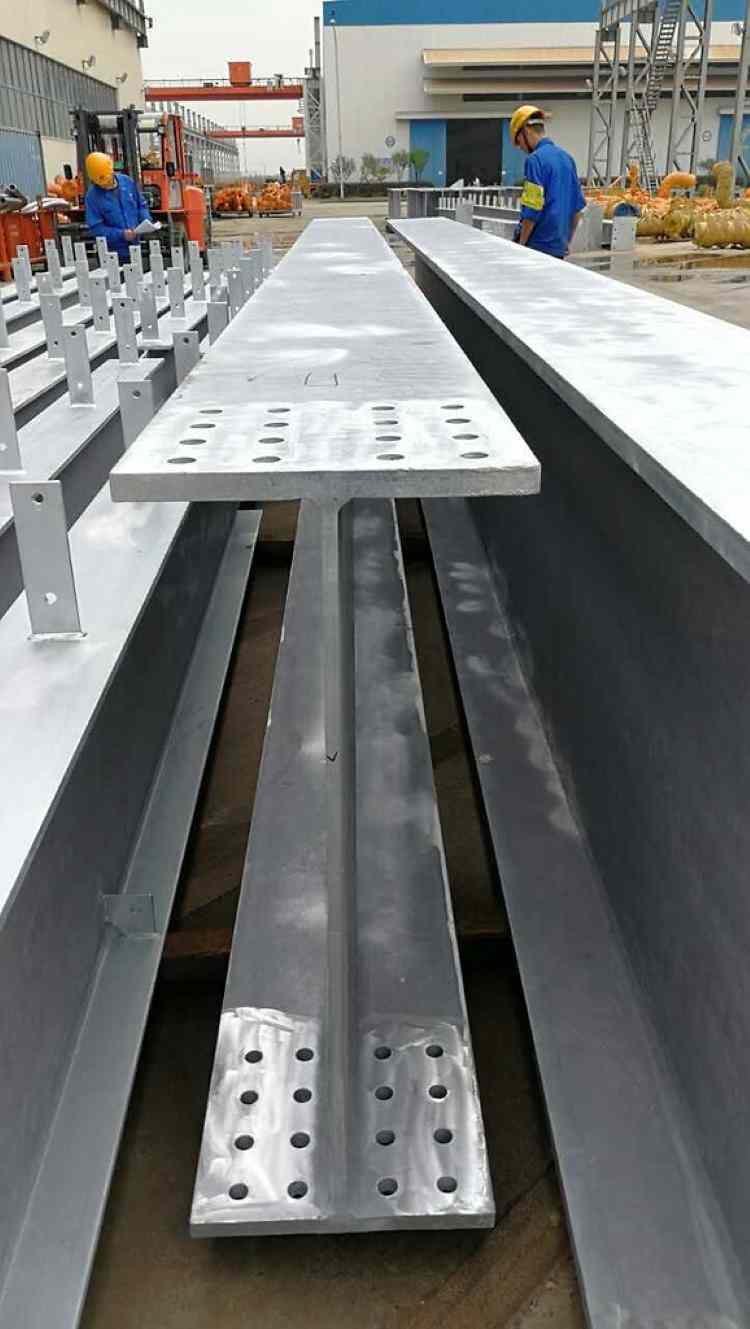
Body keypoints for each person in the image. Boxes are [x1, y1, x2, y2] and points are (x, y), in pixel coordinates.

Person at [510, 106, 585, 258]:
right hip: (558, 249)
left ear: (526, 131)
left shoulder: (535, 160)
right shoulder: (567, 158)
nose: (521, 148)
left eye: (519, 142)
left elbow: (532, 209)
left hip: (537, 248)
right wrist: (567, 242)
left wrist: (522, 245)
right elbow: (577, 209)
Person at [84, 151, 151, 261]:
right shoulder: (92, 197)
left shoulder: (127, 182)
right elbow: (96, 228)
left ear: (111, 171)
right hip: (112, 255)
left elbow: (141, 205)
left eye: (107, 180)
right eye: (100, 183)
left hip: (135, 248)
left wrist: (146, 221)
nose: (105, 185)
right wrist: (121, 235)